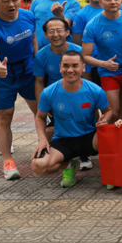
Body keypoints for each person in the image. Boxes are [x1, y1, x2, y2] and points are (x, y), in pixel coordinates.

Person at [0, 0, 39, 180]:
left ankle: (46, 147)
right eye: (5, 1)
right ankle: (8, 161)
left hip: (29, 72)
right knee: (4, 117)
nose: (12, 5)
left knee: (42, 111)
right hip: (3, 75)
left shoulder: (28, 16)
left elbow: (33, 40)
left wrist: (38, 61)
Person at [31, 51, 111, 188]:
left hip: (90, 137)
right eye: (65, 66)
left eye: (75, 65)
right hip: (64, 140)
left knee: (111, 136)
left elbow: (108, 111)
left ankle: (110, 174)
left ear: (83, 67)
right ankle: (69, 165)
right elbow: (40, 116)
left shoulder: (95, 90)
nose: (70, 70)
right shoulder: (49, 92)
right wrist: (42, 139)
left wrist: (105, 121)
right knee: (38, 165)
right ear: (60, 67)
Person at [34, 17, 92, 168]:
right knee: (51, 130)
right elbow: (39, 81)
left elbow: (87, 78)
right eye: (51, 31)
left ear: (67, 32)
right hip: (56, 99)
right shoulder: (41, 55)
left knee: (88, 123)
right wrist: (42, 104)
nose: (56, 34)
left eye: (59, 30)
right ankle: (64, 158)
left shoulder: (79, 51)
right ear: (45, 35)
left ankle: (85, 154)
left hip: (80, 95)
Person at [81, 0, 122, 125]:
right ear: (100, 1)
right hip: (108, 73)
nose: (113, 2)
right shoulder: (93, 25)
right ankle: (110, 137)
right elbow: (85, 56)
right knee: (113, 112)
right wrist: (104, 64)